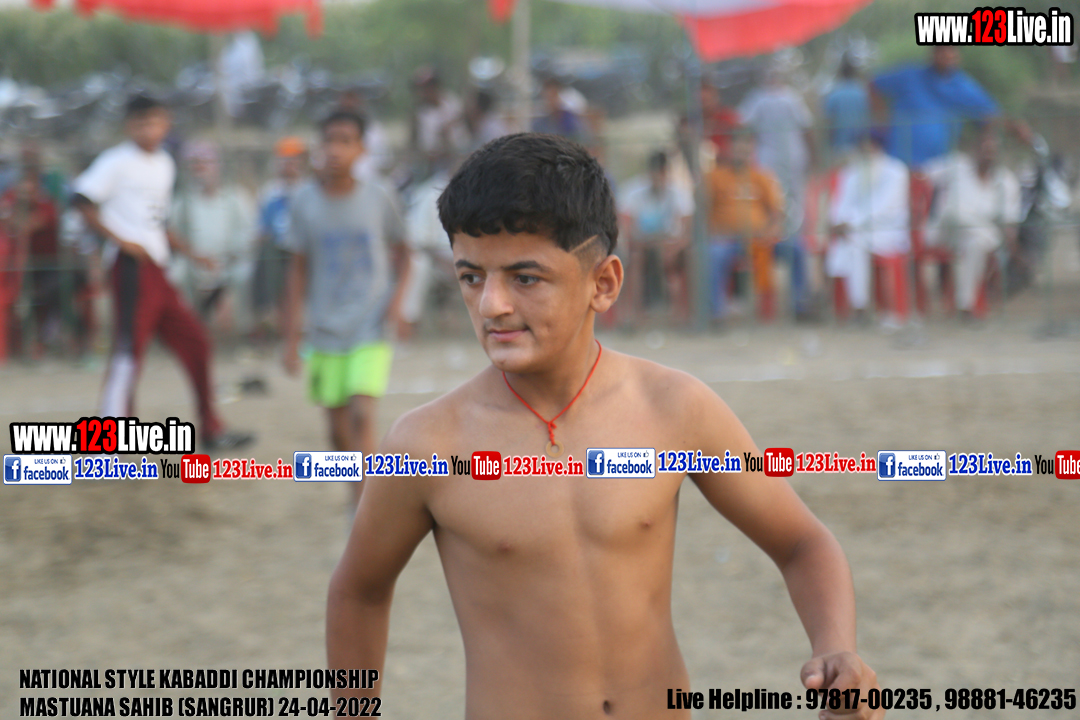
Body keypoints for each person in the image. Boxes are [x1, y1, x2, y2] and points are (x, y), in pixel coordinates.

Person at [326, 133, 882, 719]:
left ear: (604, 284)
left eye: (525, 277)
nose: (491, 304)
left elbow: (801, 542)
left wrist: (836, 647)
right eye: (471, 277)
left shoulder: (673, 409)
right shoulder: (428, 444)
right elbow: (358, 589)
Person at [72, 94, 253, 451]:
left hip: (157, 268)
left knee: (196, 342)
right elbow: (81, 201)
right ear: (129, 126)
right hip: (130, 268)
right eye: (141, 122)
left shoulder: (165, 164)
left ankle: (211, 427)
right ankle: (109, 439)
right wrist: (123, 242)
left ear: (166, 124)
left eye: (155, 121)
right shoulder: (116, 161)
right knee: (128, 352)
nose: (149, 129)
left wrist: (193, 254)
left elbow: (158, 222)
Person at [281, 109, 411, 508]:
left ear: (361, 150)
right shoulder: (303, 202)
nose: (336, 149)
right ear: (318, 147)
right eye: (329, 140)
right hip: (324, 329)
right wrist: (291, 337)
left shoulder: (379, 196)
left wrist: (397, 304)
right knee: (337, 432)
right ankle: (354, 489)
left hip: (370, 323)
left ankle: (363, 506)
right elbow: (297, 270)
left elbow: (405, 252)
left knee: (361, 414)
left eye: (346, 141)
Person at [738, 61, 815, 318]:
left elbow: (743, 124)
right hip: (779, 159)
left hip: (782, 159)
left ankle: (787, 236)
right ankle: (779, 234)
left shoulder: (774, 98)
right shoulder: (773, 98)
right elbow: (807, 128)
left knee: (788, 204)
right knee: (776, 202)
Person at [923, 127, 1020, 320]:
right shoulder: (956, 166)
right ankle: (986, 234)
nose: (987, 154)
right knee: (953, 211)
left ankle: (965, 305)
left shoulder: (1007, 181)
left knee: (977, 243)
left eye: (992, 150)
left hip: (974, 238)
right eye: (984, 149)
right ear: (975, 150)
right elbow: (923, 173)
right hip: (946, 232)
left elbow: (1009, 221)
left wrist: (1009, 245)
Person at [170, 140, 257, 333]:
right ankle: (186, 328)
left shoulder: (236, 197)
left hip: (229, 261)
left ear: (218, 166)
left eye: (205, 163)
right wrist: (196, 257)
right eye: (195, 163)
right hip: (194, 262)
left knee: (245, 274)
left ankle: (244, 329)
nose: (200, 168)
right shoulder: (182, 202)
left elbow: (248, 233)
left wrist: (228, 258)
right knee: (176, 275)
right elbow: (173, 236)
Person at [828, 130, 911, 328]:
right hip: (855, 230)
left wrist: (851, 224)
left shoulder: (896, 171)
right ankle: (858, 308)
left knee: (854, 242)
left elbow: (882, 207)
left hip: (887, 230)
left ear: (878, 146)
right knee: (849, 245)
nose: (865, 149)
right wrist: (839, 221)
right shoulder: (851, 172)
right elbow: (841, 202)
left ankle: (867, 309)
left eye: (869, 145)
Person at [704, 130, 785, 322]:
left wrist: (769, 233)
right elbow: (703, 212)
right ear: (729, 149)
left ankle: (796, 307)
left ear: (752, 150)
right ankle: (716, 313)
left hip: (758, 238)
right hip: (725, 239)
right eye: (737, 148)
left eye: (746, 148)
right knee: (713, 254)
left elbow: (776, 214)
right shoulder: (714, 177)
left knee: (796, 248)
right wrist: (715, 232)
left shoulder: (762, 176)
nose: (741, 152)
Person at [871, 46, 998, 169]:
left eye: (951, 50)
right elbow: (873, 85)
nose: (946, 54)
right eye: (942, 50)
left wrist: (986, 141)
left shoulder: (963, 86)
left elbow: (991, 114)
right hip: (899, 160)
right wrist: (881, 120)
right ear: (933, 53)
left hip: (938, 166)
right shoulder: (910, 76)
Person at [617, 150, 693, 323]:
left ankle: (682, 314)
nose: (658, 177)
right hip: (642, 245)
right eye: (655, 173)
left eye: (662, 173)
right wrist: (644, 243)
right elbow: (627, 227)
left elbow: (686, 229)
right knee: (635, 258)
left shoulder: (679, 192)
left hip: (670, 245)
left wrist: (673, 247)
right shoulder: (632, 191)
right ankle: (634, 315)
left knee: (683, 258)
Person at [0, 145, 61, 358]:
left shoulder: (47, 201)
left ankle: (40, 341)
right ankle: (15, 345)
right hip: (15, 266)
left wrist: (19, 215)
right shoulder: (10, 197)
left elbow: (28, 225)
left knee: (46, 296)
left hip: (44, 267)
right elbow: (9, 222)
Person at [252, 136, 307, 335]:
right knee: (266, 255)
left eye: (293, 161)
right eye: (285, 161)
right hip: (277, 249)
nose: (289, 166)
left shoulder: (308, 191)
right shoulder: (269, 193)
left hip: (302, 248)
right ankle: (267, 312)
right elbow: (261, 229)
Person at [822, 53, 870, 161]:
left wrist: (830, 145)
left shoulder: (834, 94)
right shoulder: (862, 92)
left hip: (840, 145)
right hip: (861, 145)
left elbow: (829, 122)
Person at [532, 76, 588, 142]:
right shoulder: (539, 123)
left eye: (554, 95)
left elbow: (581, 139)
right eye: (548, 96)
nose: (551, 100)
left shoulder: (571, 120)